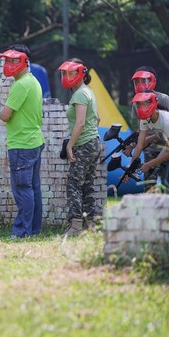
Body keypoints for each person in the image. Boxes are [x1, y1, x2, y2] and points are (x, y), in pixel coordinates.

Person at [0, 44, 44, 239]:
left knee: (23, 189)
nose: (9, 64)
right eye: (8, 60)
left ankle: (21, 231)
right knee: (33, 188)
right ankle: (33, 229)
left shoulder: (20, 85)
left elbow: (5, 115)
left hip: (22, 145)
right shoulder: (33, 81)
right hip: (34, 141)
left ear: (25, 61)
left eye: (14, 60)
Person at [58, 58, 101, 237]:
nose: (68, 76)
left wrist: (70, 145)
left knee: (74, 184)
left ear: (81, 73)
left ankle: (75, 226)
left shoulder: (79, 94)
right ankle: (92, 225)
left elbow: (81, 122)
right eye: (65, 72)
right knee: (88, 185)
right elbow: (97, 118)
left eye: (72, 72)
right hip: (93, 142)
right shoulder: (88, 91)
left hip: (84, 144)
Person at [127, 66, 169, 186]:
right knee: (149, 184)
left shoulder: (164, 100)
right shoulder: (138, 105)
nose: (139, 84)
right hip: (151, 147)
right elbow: (140, 138)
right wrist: (130, 168)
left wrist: (150, 139)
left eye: (143, 80)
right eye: (136, 81)